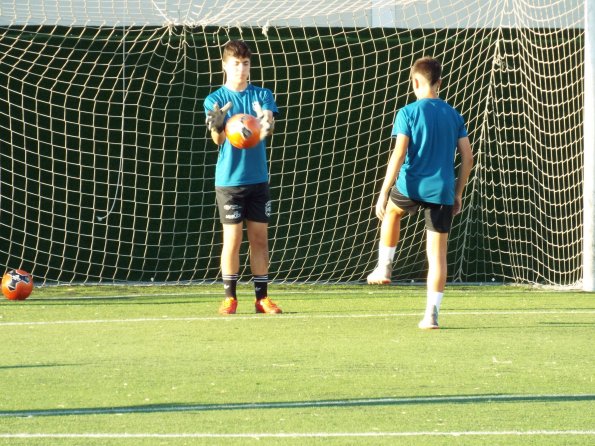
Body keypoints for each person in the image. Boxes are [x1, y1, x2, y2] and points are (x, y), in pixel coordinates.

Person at [367, 56, 473, 329]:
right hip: (442, 192)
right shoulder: (454, 114)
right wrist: (458, 193)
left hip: (411, 186)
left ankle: (385, 266)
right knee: (437, 255)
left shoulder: (407, 112)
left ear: (415, 81)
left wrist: (383, 190)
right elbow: (468, 157)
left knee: (391, 210)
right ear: (438, 83)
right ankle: (431, 315)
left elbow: (399, 153)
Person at [204, 40, 282, 315]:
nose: (241, 69)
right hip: (229, 181)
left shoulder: (262, 95)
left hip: (257, 178)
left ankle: (262, 298)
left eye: (246, 63)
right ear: (225, 66)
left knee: (260, 239)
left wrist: (266, 123)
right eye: (236, 64)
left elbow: (266, 129)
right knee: (233, 239)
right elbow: (218, 139)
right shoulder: (215, 100)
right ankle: (229, 298)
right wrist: (217, 126)